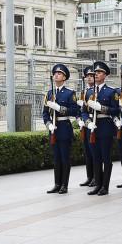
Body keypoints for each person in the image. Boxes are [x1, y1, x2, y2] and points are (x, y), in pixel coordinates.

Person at [43, 64, 79, 194]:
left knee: (64, 158)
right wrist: (48, 124)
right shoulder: (49, 93)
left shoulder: (70, 93)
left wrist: (59, 108)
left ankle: (64, 185)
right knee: (56, 159)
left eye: (59, 73)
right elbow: (45, 113)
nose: (56, 75)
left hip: (64, 128)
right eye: (55, 73)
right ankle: (57, 184)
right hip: (53, 130)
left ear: (64, 77)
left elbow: (75, 110)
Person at [85, 61, 119, 196]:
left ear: (105, 75)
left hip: (105, 128)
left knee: (106, 158)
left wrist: (101, 108)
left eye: (99, 73)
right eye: (95, 73)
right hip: (93, 128)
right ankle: (97, 184)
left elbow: (116, 110)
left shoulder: (111, 92)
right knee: (96, 157)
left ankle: (105, 186)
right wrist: (87, 122)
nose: (96, 75)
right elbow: (83, 111)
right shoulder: (89, 92)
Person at [78, 66, 97, 188]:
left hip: (93, 123)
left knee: (94, 152)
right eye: (87, 76)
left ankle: (96, 177)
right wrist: (79, 119)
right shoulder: (82, 92)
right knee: (87, 152)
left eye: (91, 76)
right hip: (85, 124)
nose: (89, 78)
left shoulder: (95, 91)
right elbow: (78, 110)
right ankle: (89, 176)